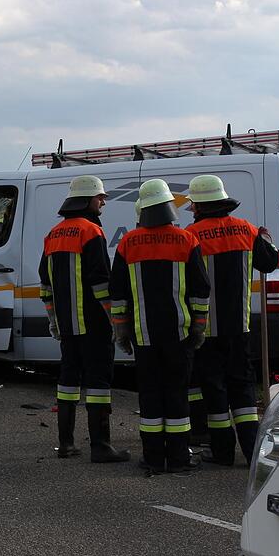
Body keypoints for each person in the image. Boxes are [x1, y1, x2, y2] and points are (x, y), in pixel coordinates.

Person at [110, 180, 210, 475]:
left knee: (150, 394)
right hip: (180, 333)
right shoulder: (187, 240)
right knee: (177, 393)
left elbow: (118, 293)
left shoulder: (127, 243)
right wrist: (199, 327)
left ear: (143, 208)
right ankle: (178, 458)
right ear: (169, 206)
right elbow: (201, 289)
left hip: (143, 335)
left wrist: (121, 330)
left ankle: (153, 457)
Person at [184, 174, 279, 466]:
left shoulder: (191, 234)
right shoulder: (246, 229)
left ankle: (223, 452)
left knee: (214, 389)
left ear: (200, 206)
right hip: (240, 326)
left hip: (206, 328)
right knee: (243, 386)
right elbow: (270, 263)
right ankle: (252, 452)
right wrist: (266, 240)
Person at [38, 175, 128, 463]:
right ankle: (100, 446)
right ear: (87, 199)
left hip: (68, 326)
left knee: (68, 380)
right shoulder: (91, 231)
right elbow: (101, 283)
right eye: (100, 197)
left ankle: (65, 443)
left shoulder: (53, 234)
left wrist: (53, 320)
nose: (103, 202)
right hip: (94, 324)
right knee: (98, 382)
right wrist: (115, 320)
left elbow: (45, 286)